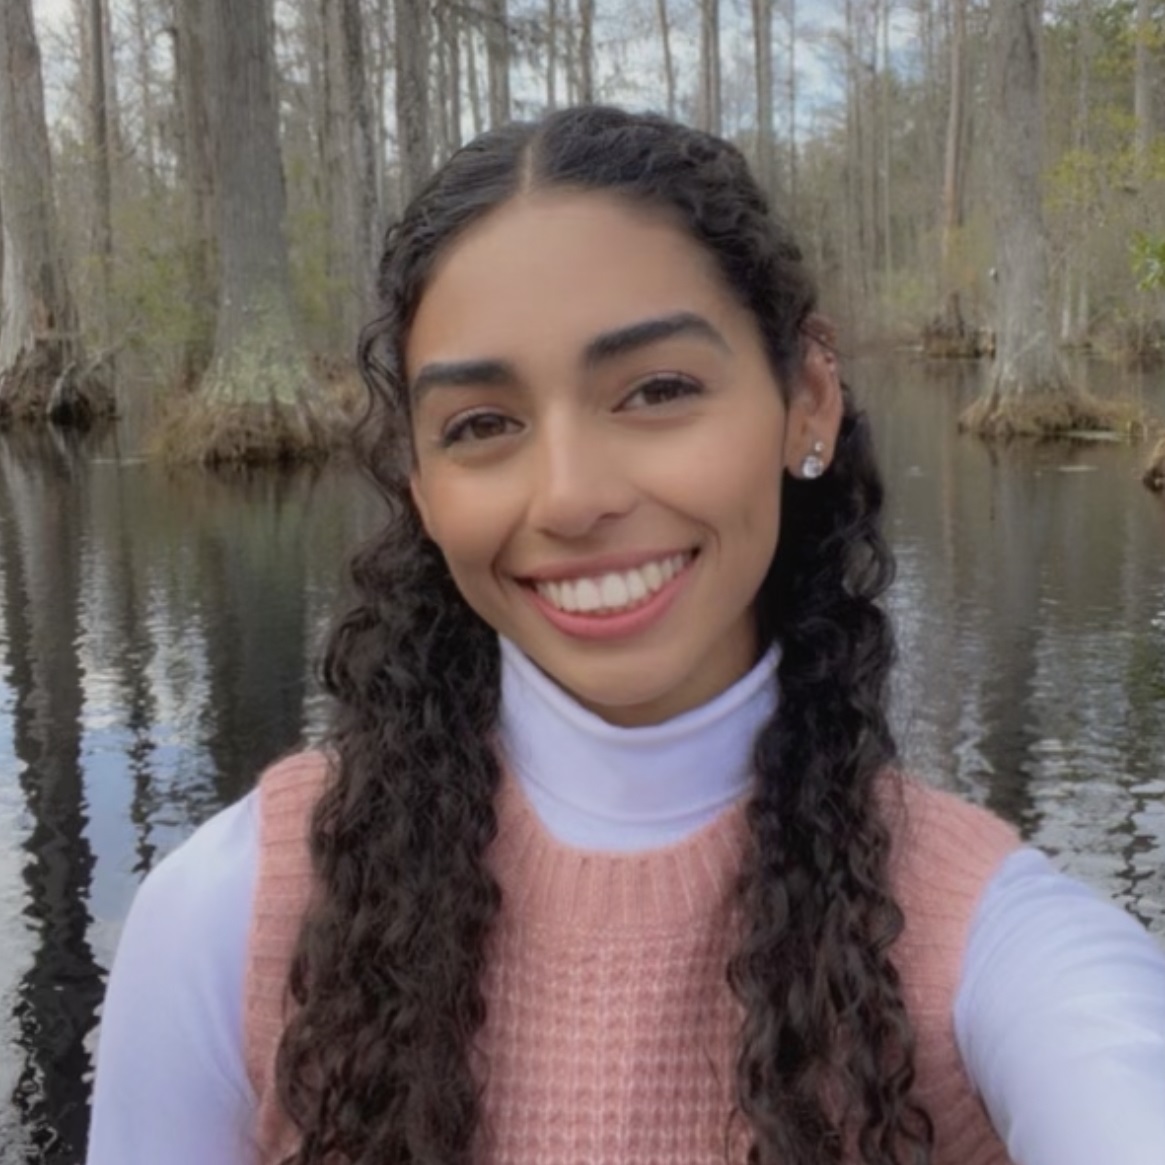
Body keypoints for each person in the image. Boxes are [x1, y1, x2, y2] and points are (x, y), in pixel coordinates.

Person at [86, 106, 1165, 1165]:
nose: (569, 496)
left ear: (806, 399)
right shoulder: (231, 915)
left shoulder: (988, 945)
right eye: (482, 424)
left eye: (655, 390)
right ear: (419, 483)